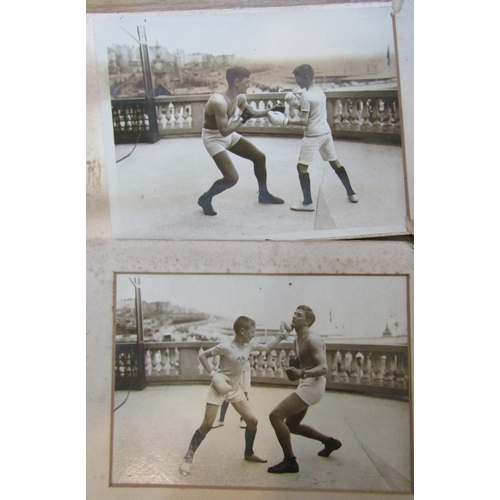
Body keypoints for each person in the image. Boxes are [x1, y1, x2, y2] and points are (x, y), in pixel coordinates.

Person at [179, 316, 289, 476]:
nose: (254, 334)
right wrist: (213, 375)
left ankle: (249, 453)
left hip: (235, 389)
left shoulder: (250, 344)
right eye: (253, 331)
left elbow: (265, 348)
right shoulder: (225, 346)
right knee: (207, 424)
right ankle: (187, 458)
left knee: (252, 421)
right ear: (242, 331)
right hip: (219, 387)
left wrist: (280, 336)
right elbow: (203, 356)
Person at [267, 64, 358, 212]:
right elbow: (311, 110)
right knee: (335, 162)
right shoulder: (319, 91)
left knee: (301, 167)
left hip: (313, 135)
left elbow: (304, 121)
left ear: (306, 77)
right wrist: (295, 102)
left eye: (298, 79)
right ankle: (351, 193)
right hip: (325, 133)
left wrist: (284, 121)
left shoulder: (306, 96)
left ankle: (307, 202)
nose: (297, 82)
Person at [198, 66, 285, 216]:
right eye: (247, 81)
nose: (249, 84)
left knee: (259, 157)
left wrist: (271, 111)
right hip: (213, 138)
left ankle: (263, 194)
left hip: (228, 133)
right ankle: (205, 198)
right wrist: (242, 118)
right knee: (232, 178)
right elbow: (224, 130)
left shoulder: (239, 97)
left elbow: (250, 113)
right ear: (237, 81)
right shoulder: (218, 101)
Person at [267, 305, 342, 474]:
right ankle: (329, 442)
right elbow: (303, 365)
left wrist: (302, 372)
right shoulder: (297, 339)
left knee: (275, 415)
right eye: (293, 313)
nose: (293, 317)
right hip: (306, 383)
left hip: (314, 385)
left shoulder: (312, 339)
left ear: (307, 321)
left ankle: (290, 462)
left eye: (298, 315)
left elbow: (324, 368)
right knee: (292, 425)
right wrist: (294, 368)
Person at [212, 358, 251, 429]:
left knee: (245, 392)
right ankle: (221, 420)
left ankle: (243, 419)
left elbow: (255, 352)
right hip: (232, 369)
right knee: (227, 391)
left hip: (245, 368)